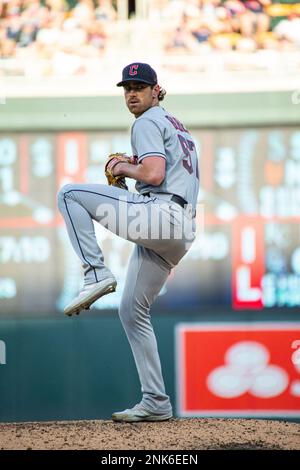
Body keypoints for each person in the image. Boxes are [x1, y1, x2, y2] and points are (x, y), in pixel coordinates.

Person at [57, 62, 199, 422]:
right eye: (127, 87)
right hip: (179, 231)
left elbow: (153, 173)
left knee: (70, 194)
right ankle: (156, 402)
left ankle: (94, 273)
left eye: (140, 86)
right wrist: (137, 169)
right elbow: (159, 171)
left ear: (156, 91)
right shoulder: (176, 126)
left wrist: (122, 167)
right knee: (132, 311)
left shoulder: (147, 120)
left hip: (161, 215)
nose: (132, 93)